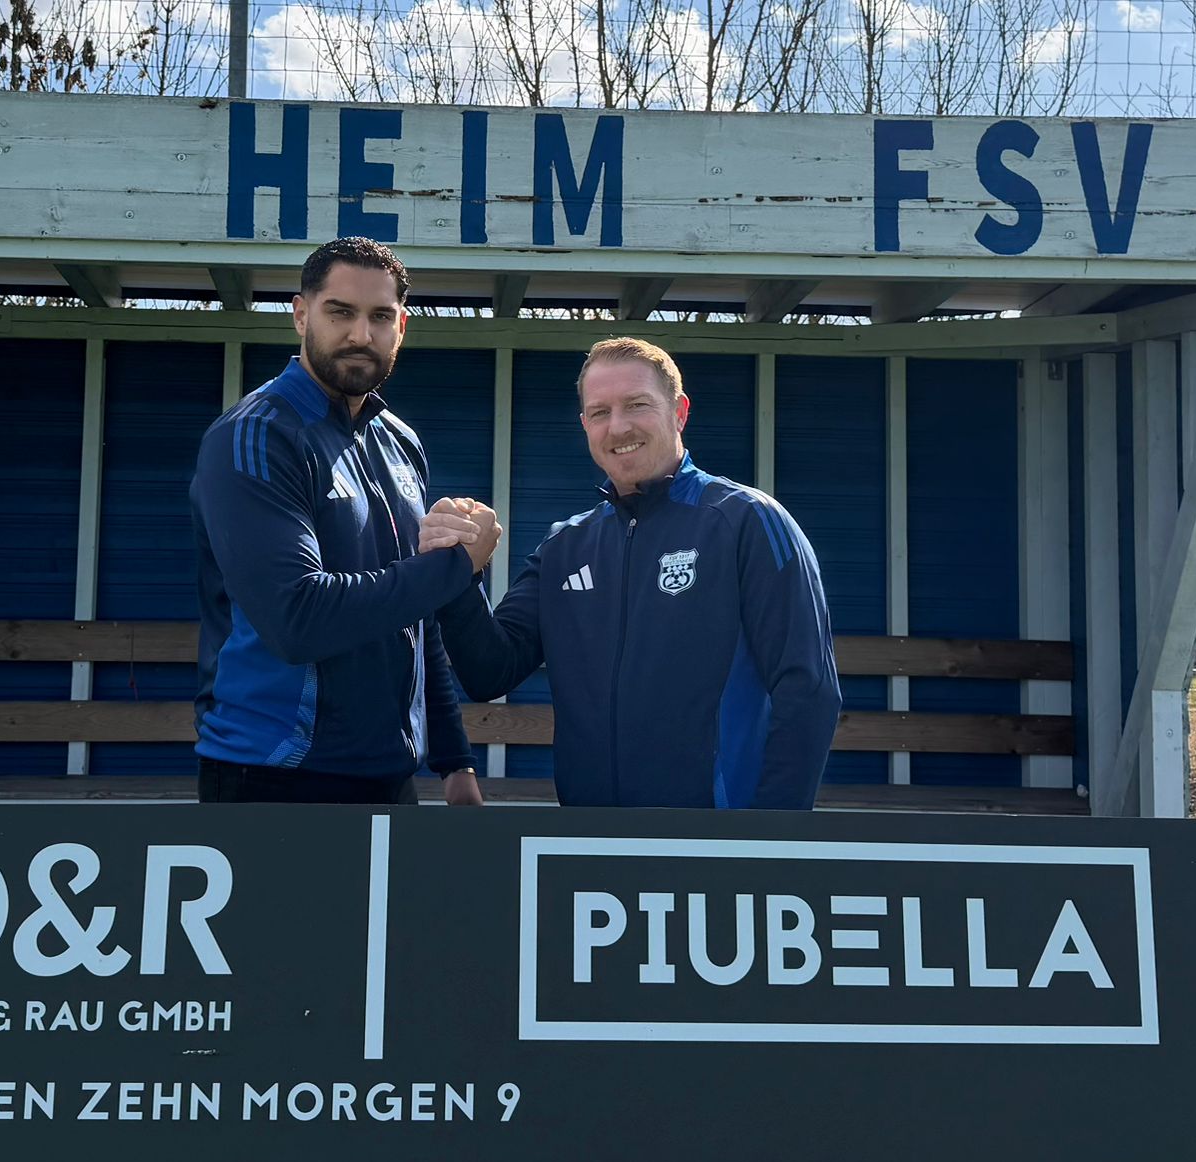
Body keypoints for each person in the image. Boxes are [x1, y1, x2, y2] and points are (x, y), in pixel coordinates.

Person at [428, 337, 840, 809]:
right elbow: (489, 672)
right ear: (585, 425)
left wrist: (774, 834)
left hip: (717, 838)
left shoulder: (746, 521)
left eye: (637, 405)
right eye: (600, 412)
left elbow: (808, 688)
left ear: (679, 412)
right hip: (590, 838)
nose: (618, 426)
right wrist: (462, 573)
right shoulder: (565, 545)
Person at [188, 237, 503, 804]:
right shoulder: (256, 434)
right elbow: (296, 619)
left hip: (390, 774)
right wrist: (456, 566)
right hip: (273, 776)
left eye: (380, 316)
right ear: (301, 314)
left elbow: (415, 613)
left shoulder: (401, 442)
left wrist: (454, 760)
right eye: (340, 312)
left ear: (400, 327)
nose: (361, 334)